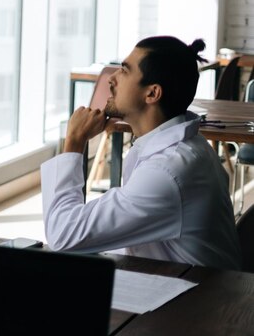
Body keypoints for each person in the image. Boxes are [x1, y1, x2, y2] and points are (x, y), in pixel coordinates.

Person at [42, 36, 242, 270]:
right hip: (178, 281)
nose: (111, 79)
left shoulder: (167, 172)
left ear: (152, 93)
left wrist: (74, 143)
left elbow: (63, 235)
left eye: (124, 72)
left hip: (195, 299)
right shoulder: (188, 146)